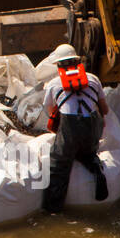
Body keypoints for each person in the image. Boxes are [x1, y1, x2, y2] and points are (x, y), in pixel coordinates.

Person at [42, 45, 109, 213]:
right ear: (78, 62)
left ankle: (53, 210)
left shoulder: (53, 84)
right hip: (92, 132)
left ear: (58, 66)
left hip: (70, 131)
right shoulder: (93, 79)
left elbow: (50, 112)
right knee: (87, 153)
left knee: (59, 164)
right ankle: (94, 164)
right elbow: (105, 110)